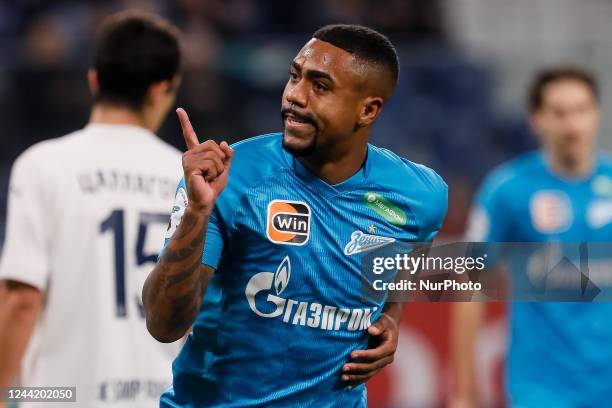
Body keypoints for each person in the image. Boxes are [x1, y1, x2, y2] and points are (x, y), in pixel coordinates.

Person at [143, 24, 448, 407]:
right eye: (294, 76)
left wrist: (392, 314)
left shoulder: (421, 194)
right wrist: (197, 212)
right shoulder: (232, 178)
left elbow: (414, 246)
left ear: (368, 109)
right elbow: (163, 324)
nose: (294, 97)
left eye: (319, 86)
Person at [0, 11, 183, 407]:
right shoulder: (189, 179)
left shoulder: (44, 165)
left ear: (94, 79)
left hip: (64, 396)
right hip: (160, 396)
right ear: (162, 91)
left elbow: (22, 298)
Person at [450, 67, 612, 407]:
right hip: (542, 388)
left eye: (582, 110)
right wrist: (464, 391)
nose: (573, 125)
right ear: (537, 120)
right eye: (560, 113)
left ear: (596, 113)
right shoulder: (507, 190)